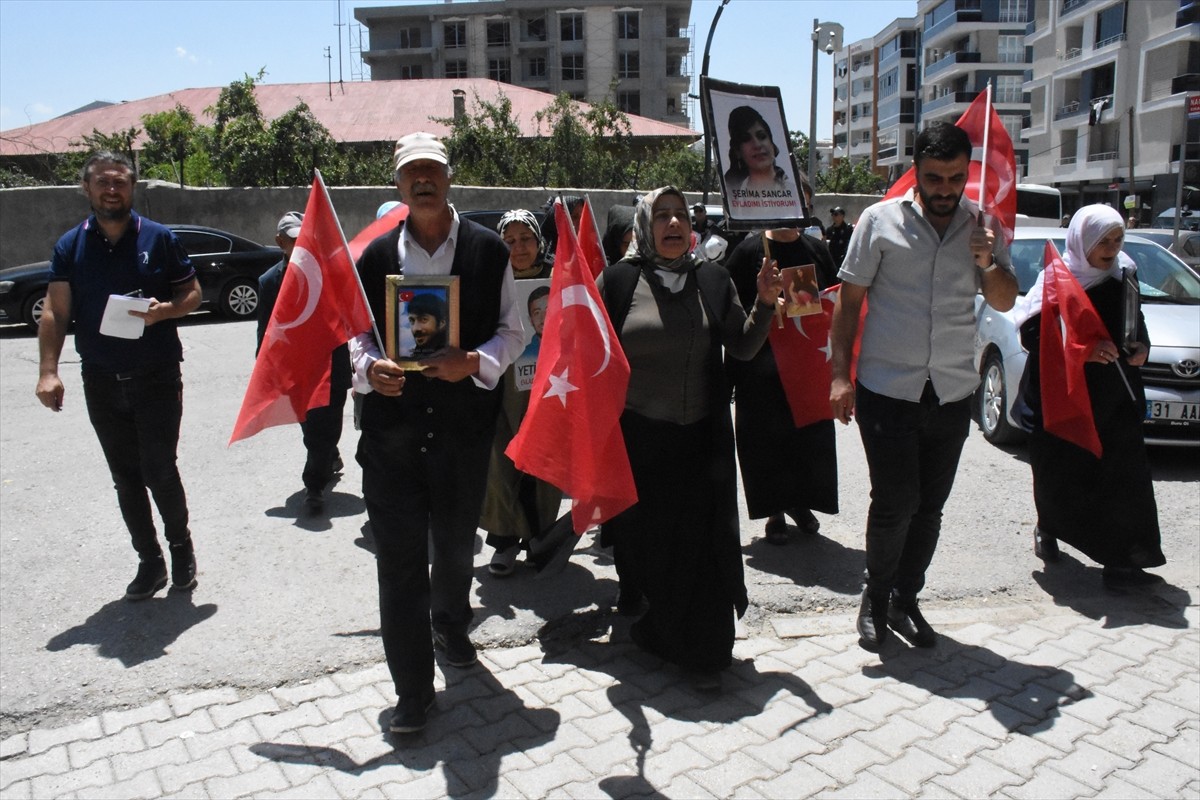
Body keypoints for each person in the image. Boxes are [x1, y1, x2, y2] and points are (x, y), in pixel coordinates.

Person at [349, 132, 524, 734]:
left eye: (432, 171)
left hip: (460, 437)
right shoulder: (373, 259)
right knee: (398, 565)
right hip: (391, 441)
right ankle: (413, 692)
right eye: (411, 173)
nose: (422, 181)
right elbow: (356, 335)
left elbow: (513, 331)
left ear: (449, 179)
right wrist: (369, 369)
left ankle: (450, 624)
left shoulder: (486, 251)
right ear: (398, 185)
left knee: (453, 547)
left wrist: (473, 362)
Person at [829, 122, 1017, 652]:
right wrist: (840, 375)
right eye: (934, 177)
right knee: (895, 501)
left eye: (955, 178)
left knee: (930, 506)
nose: (944, 189)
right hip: (888, 387)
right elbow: (848, 305)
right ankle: (876, 595)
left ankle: (906, 598)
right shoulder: (877, 222)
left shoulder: (982, 226)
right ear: (916, 172)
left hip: (954, 390)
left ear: (966, 175)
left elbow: (1003, 300)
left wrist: (986, 262)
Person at [598, 186, 782, 691]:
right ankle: (657, 626)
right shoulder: (617, 281)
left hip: (701, 445)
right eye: (662, 216)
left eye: (681, 215)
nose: (674, 224)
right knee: (652, 549)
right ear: (644, 225)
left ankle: (701, 650)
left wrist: (765, 305)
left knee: (702, 553)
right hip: (639, 444)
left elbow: (743, 348)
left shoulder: (714, 279)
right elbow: (589, 354)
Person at [36, 151, 202, 601]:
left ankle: (181, 549)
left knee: (159, 469)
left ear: (133, 188)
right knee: (125, 476)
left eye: (121, 182)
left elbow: (191, 292)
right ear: (87, 188)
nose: (113, 190)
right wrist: (48, 371)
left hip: (157, 375)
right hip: (101, 378)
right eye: (103, 182)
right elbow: (55, 308)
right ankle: (149, 562)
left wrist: (164, 312)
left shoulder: (159, 237)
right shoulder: (71, 245)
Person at [1014, 204, 1164, 587]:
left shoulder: (1125, 276)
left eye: (1117, 239)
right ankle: (1048, 529)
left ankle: (1123, 562)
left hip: (1114, 397)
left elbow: (1136, 325)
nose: (1112, 248)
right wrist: (1084, 351)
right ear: (1083, 241)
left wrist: (1141, 348)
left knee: (1123, 479)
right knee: (1060, 474)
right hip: (1063, 397)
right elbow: (1034, 336)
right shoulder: (1059, 280)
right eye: (1104, 241)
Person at [726, 227, 840, 546]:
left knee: (806, 440)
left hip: (804, 364)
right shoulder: (750, 251)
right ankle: (773, 511)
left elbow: (833, 300)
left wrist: (799, 304)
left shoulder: (816, 250)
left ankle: (799, 503)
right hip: (760, 367)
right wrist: (763, 303)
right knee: (765, 441)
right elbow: (730, 304)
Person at [479, 210, 562, 577]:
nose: (519, 247)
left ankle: (540, 538)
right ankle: (504, 542)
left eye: (526, 239)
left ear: (539, 241)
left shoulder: (558, 280)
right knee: (501, 465)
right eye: (509, 241)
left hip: (548, 392)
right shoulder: (487, 281)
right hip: (501, 392)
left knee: (544, 466)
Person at [257, 211, 350, 515]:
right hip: (296, 369)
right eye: (292, 240)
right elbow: (266, 330)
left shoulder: (331, 274)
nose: (298, 245)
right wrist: (265, 368)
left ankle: (314, 486)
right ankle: (323, 463)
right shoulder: (269, 282)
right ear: (279, 242)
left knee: (327, 425)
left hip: (329, 366)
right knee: (311, 429)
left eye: (304, 238)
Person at [405, 292, 449, 357]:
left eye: (424, 319)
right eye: (412, 321)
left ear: (441, 323)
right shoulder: (418, 353)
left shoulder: (448, 353)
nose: (415, 328)